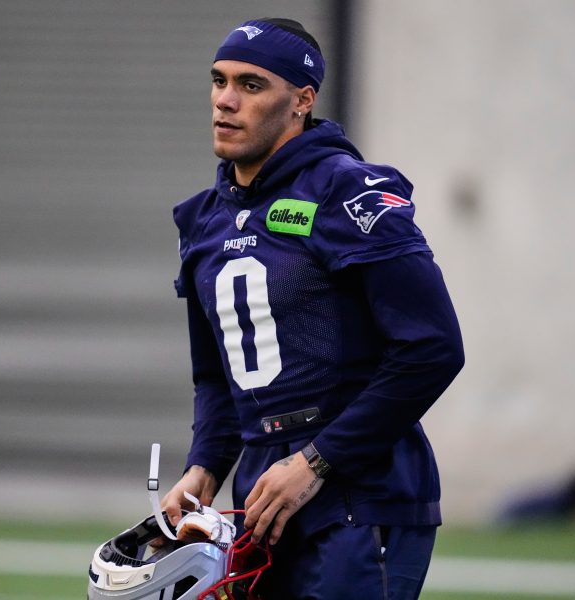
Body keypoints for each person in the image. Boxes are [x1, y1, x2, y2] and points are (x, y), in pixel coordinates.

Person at [162, 17, 464, 599]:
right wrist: (204, 467)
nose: (225, 100)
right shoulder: (203, 220)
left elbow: (432, 348)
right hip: (262, 495)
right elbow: (219, 376)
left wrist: (317, 461)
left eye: (251, 85)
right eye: (219, 81)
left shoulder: (347, 192)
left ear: (302, 100)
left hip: (361, 490)